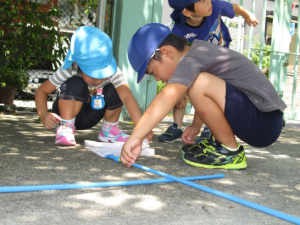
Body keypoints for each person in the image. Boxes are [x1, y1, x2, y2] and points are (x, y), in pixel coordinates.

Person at [120, 23, 286, 169]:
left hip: (264, 122)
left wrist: (137, 135)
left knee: (199, 82)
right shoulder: (199, 53)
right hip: (263, 119)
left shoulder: (191, 59)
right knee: (198, 82)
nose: (157, 79)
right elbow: (215, 96)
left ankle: (229, 150)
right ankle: (220, 143)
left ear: (167, 53)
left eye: (153, 72)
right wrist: (196, 125)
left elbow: (168, 95)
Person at [158, 0, 259, 145]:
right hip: (196, 61)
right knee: (181, 84)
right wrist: (177, 93)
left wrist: (247, 14)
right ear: (187, 12)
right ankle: (176, 126)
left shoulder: (215, 6)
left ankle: (208, 127)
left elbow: (234, 8)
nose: (209, 2)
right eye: (203, 1)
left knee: (207, 89)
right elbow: (176, 63)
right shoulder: (179, 31)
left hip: (220, 57)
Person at [35, 26, 153, 146]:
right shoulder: (68, 70)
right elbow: (41, 91)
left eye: (104, 73)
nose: (99, 78)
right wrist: (44, 113)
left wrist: (141, 128)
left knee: (117, 89)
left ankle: (109, 131)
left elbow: (127, 97)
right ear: (76, 65)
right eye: (93, 74)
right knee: (75, 83)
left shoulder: (113, 72)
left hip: (90, 116)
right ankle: (66, 128)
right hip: (65, 114)